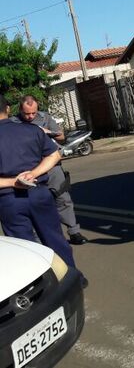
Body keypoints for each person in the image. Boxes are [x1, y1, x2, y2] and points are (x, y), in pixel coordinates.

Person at [0, 93, 82, 279]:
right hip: (39, 192)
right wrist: (33, 174)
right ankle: (72, 277)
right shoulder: (32, 130)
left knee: (26, 247)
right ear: (8, 109)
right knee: (55, 238)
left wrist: (13, 182)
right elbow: (54, 155)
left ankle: (42, 286)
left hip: (8, 200)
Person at [14, 96, 88, 245]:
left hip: (52, 165)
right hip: (29, 168)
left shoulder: (45, 117)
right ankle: (35, 241)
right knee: (32, 203)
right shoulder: (13, 123)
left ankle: (74, 232)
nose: (30, 116)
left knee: (63, 198)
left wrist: (46, 131)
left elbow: (61, 137)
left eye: (33, 113)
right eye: (27, 114)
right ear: (20, 110)